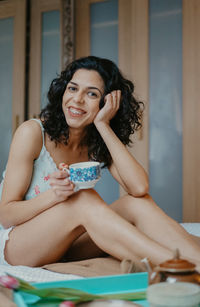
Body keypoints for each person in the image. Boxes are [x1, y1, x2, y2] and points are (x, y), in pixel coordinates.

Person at [0, 56, 200, 269]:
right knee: (84, 198)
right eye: (73, 89)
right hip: (17, 246)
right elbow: (6, 215)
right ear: (63, 91)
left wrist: (103, 125)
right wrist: (55, 196)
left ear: (107, 103)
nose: (77, 100)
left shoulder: (94, 139)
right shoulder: (32, 133)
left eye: (92, 94)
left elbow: (139, 188)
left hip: (67, 244)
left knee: (136, 203)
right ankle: (182, 268)